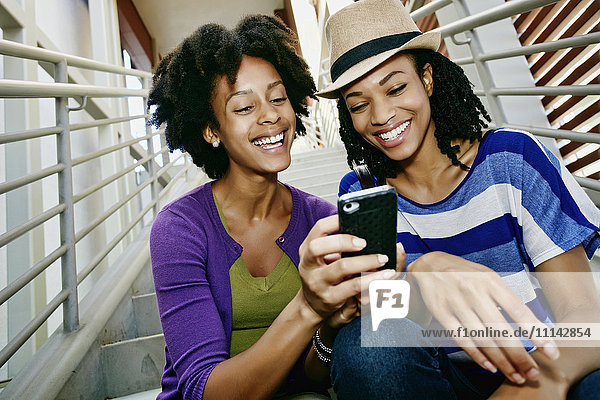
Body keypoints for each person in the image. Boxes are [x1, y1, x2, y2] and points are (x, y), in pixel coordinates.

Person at [315, 0, 600, 399]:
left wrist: (538, 386)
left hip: (541, 365)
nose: (380, 116)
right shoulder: (363, 194)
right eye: (359, 105)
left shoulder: (511, 158)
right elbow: (384, 322)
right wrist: (421, 273)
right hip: (440, 378)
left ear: (427, 79)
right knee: (364, 344)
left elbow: (584, 315)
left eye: (396, 88)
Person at [147, 14, 398, 400]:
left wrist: (332, 328)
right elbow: (203, 390)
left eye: (278, 98)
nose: (271, 116)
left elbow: (315, 376)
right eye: (244, 107)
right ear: (211, 130)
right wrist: (309, 306)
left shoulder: (322, 219)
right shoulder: (180, 228)